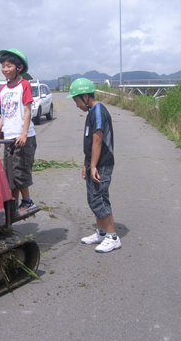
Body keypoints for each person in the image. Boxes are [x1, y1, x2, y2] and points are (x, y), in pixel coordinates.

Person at [67, 78, 121, 253]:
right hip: (93, 163)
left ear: (85, 96)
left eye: (76, 101)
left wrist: (93, 165)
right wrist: (86, 164)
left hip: (102, 164)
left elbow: (97, 141)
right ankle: (101, 232)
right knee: (92, 198)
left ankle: (113, 237)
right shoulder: (92, 112)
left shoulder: (98, 112)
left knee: (100, 197)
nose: (76, 105)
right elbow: (89, 143)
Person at [0, 49, 36, 211]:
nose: (5, 69)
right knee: (10, 172)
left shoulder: (24, 85)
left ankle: (28, 200)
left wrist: (24, 133)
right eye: (3, 66)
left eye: (9, 66)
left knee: (20, 170)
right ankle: (14, 203)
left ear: (19, 68)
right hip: (8, 137)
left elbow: (27, 110)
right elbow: (3, 113)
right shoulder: (2, 89)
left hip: (23, 136)